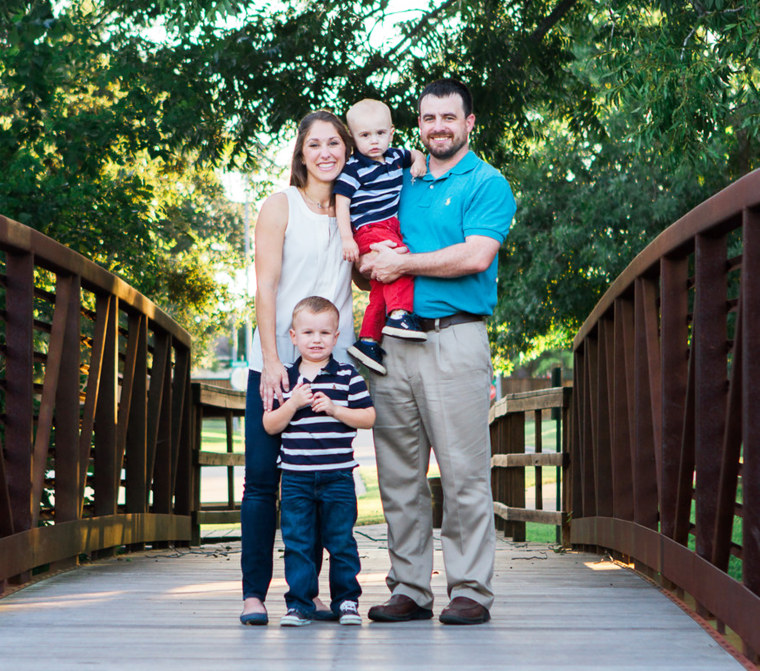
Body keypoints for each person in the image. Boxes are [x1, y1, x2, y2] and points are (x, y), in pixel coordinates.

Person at [361, 79, 516, 625]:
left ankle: (471, 590)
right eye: (428, 118)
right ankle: (409, 588)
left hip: (455, 337)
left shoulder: (488, 183)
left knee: (464, 474)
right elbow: (371, 248)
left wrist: (402, 264)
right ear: (419, 124)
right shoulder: (401, 181)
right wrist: (372, 265)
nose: (438, 128)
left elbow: (476, 256)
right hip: (393, 343)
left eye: (449, 118)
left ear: (469, 122)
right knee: (398, 475)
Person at [239, 110, 355, 626]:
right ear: (301, 154)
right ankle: (254, 595)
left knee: (329, 482)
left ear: (347, 150)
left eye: (335, 143)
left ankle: (317, 596)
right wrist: (270, 361)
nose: (326, 152)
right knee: (265, 481)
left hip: (334, 364)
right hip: (280, 361)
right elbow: (265, 286)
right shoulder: (280, 205)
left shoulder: (357, 210)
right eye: (315, 144)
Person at [262, 296, 375, 626]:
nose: (316, 340)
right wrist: (294, 403)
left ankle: (347, 602)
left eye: (324, 333)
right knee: (298, 542)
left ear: (336, 337)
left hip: (338, 476)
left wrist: (336, 409)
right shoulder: (284, 378)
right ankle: (299, 604)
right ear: (293, 336)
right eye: (308, 332)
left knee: (340, 541)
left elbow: (368, 417)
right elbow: (270, 425)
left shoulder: (347, 376)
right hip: (296, 477)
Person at [334, 99, 428, 376]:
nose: (373, 141)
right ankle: (400, 315)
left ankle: (368, 341)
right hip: (368, 229)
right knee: (401, 262)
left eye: (380, 133)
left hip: (390, 226)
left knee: (380, 288)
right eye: (364, 135)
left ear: (391, 132)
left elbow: (414, 154)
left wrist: (420, 160)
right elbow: (342, 203)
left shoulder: (395, 156)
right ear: (353, 137)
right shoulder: (353, 168)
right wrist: (347, 239)